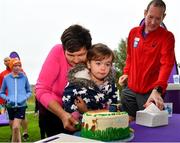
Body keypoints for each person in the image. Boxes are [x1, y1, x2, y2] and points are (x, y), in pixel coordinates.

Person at [118, 0, 175, 121]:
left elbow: (167, 64)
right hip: (130, 90)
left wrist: (158, 90)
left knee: (150, 127)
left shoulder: (167, 37)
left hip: (151, 93)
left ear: (163, 17)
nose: (153, 22)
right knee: (130, 122)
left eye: (158, 19)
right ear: (145, 13)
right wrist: (126, 73)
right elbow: (130, 56)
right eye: (150, 17)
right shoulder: (133, 32)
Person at [35, 24, 92, 138]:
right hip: (53, 111)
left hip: (82, 112)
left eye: (80, 55)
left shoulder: (94, 58)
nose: (75, 60)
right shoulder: (57, 51)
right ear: (64, 49)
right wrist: (62, 115)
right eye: (70, 55)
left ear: (89, 49)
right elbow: (41, 90)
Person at [62, 43, 118, 120]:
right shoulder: (76, 83)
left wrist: (87, 111)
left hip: (106, 126)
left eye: (107, 64)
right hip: (83, 127)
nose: (103, 68)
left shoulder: (111, 85)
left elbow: (114, 108)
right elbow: (67, 102)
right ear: (88, 64)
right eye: (98, 63)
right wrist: (77, 115)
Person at [0, 59, 32, 142]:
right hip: (10, 106)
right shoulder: (6, 78)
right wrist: (7, 98)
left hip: (21, 106)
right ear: (11, 66)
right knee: (14, 129)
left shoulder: (24, 77)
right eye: (15, 65)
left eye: (19, 65)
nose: (18, 67)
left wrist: (25, 97)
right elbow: (2, 92)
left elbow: (29, 91)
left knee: (16, 127)